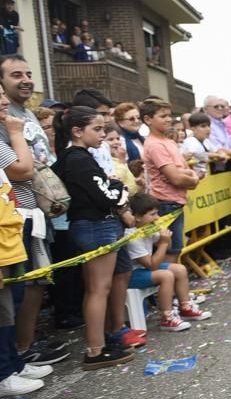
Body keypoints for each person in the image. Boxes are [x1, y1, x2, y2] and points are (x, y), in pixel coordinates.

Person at [52, 107, 136, 368]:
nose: (103, 135)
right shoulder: (79, 159)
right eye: (97, 129)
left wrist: (111, 185)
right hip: (96, 225)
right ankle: (95, 350)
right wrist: (118, 187)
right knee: (99, 289)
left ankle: (98, 342)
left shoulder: (71, 157)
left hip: (87, 224)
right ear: (77, 131)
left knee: (95, 288)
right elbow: (106, 196)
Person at [0, 56, 61, 366]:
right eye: (15, 75)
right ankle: (18, 354)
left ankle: (25, 346)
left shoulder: (26, 114)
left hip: (38, 211)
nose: (25, 79)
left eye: (28, 73)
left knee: (38, 281)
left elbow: (42, 157)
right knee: (20, 287)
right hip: (17, 211)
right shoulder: (4, 118)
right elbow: (18, 169)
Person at [125, 193, 211, 331]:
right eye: (153, 214)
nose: (157, 218)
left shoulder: (147, 228)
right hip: (132, 275)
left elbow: (168, 248)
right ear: (138, 217)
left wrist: (165, 238)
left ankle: (185, 307)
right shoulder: (132, 235)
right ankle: (167, 318)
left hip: (144, 269)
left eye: (157, 214)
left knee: (180, 269)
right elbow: (152, 265)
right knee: (166, 275)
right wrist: (163, 243)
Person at [142, 98, 200, 264]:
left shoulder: (168, 141)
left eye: (169, 115)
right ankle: (168, 288)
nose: (168, 119)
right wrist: (193, 179)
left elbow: (184, 169)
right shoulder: (155, 145)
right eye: (163, 116)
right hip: (165, 202)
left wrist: (190, 176)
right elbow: (175, 177)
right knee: (169, 252)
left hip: (175, 201)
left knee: (175, 249)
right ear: (148, 120)